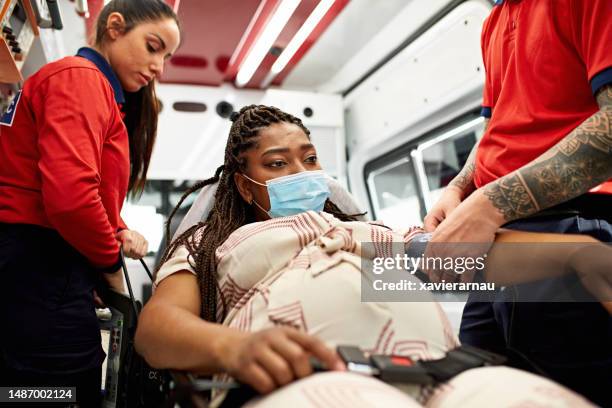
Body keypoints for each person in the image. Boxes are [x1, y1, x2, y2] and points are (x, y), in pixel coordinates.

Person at [135, 105, 603, 407]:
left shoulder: (368, 232)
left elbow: (466, 260)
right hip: (308, 378)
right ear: (243, 183)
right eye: (278, 164)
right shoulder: (209, 245)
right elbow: (156, 330)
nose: (302, 173)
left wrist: (573, 256)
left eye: (310, 158)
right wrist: (231, 348)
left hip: (441, 376)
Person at [423, 0, 611, 404]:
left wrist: (489, 204)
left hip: (570, 224)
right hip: (502, 240)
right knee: (477, 390)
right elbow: (497, 130)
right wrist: (459, 188)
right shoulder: (493, 20)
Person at [0, 0, 180, 405]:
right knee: (56, 391)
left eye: (166, 56)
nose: (159, 68)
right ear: (114, 27)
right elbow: (71, 199)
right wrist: (110, 266)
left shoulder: (89, 88)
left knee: (35, 389)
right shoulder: (81, 79)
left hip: (40, 266)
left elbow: (80, 191)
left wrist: (114, 230)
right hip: (39, 264)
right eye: (153, 47)